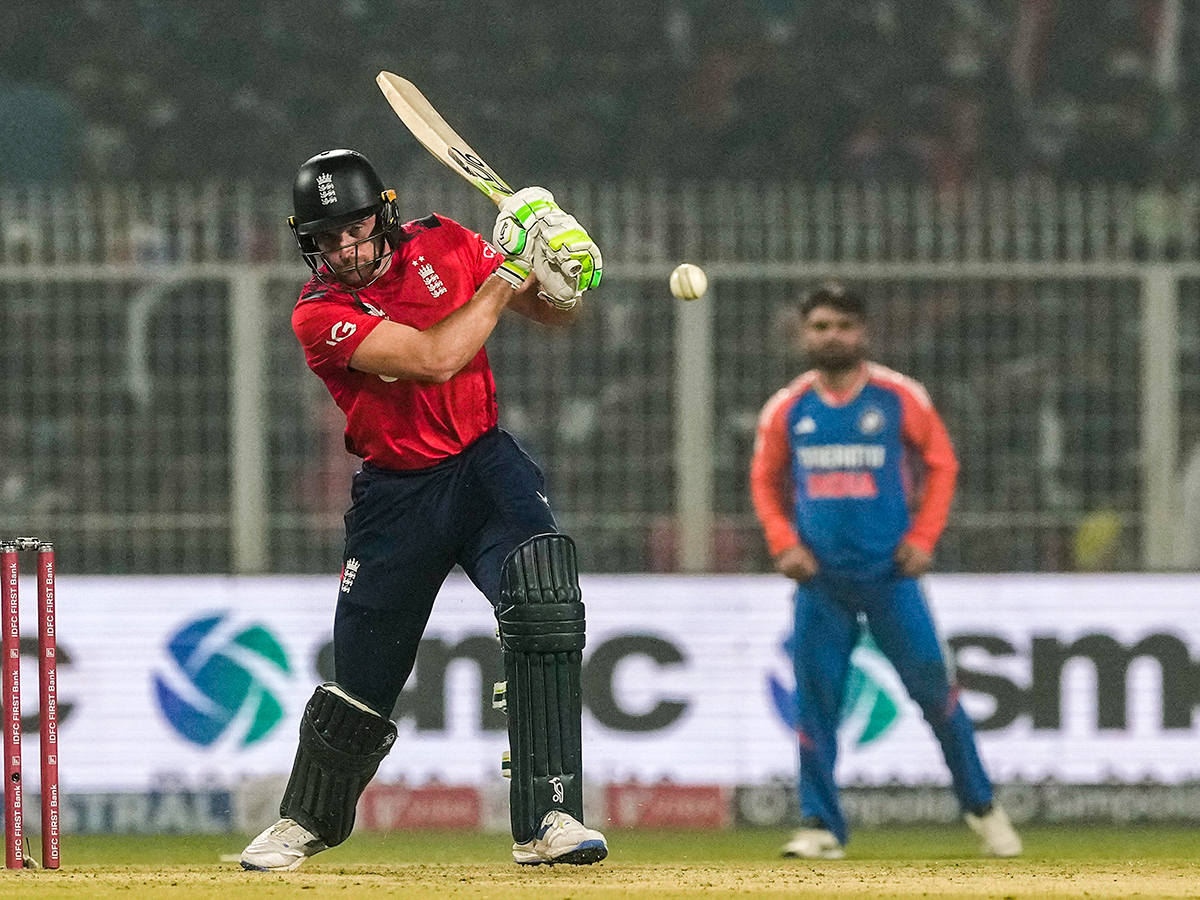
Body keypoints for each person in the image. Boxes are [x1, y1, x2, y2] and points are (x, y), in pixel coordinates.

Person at [240, 149, 607, 871]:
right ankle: (305, 820)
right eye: (328, 237)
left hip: (484, 468)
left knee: (544, 600)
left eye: (356, 227)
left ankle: (551, 817)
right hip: (395, 494)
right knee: (365, 679)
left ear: (384, 213)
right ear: (308, 243)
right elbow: (436, 357)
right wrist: (505, 268)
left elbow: (548, 312)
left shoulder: (443, 240)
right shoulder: (319, 314)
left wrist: (560, 268)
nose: (346, 248)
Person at [749, 282, 1021, 860]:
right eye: (821, 326)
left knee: (936, 696)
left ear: (862, 333)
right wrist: (783, 543)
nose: (832, 336)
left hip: (891, 576)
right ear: (805, 334)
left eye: (843, 326)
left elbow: (942, 465)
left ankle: (983, 810)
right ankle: (821, 824)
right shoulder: (789, 407)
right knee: (815, 705)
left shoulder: (900, 397)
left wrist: (923, 538)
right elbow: (765, 482)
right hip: (819, 580)